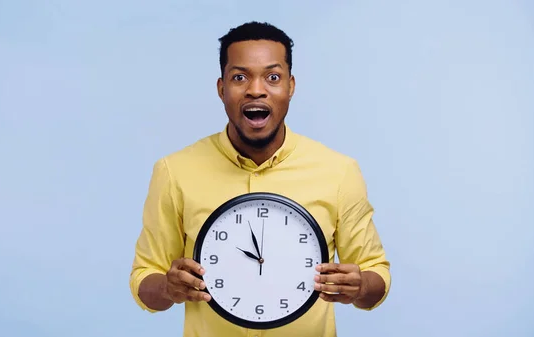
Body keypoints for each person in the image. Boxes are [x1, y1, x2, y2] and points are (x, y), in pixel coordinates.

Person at [129, 21, 391, 337]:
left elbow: (376, 274)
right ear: (221, 88)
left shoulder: (338, 171)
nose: (256, 89)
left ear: (290, 86)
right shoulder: (174, 171)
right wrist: (168, 288)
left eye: (272, 77)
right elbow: (145, 279)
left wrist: (360, 286)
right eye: (240, 77)